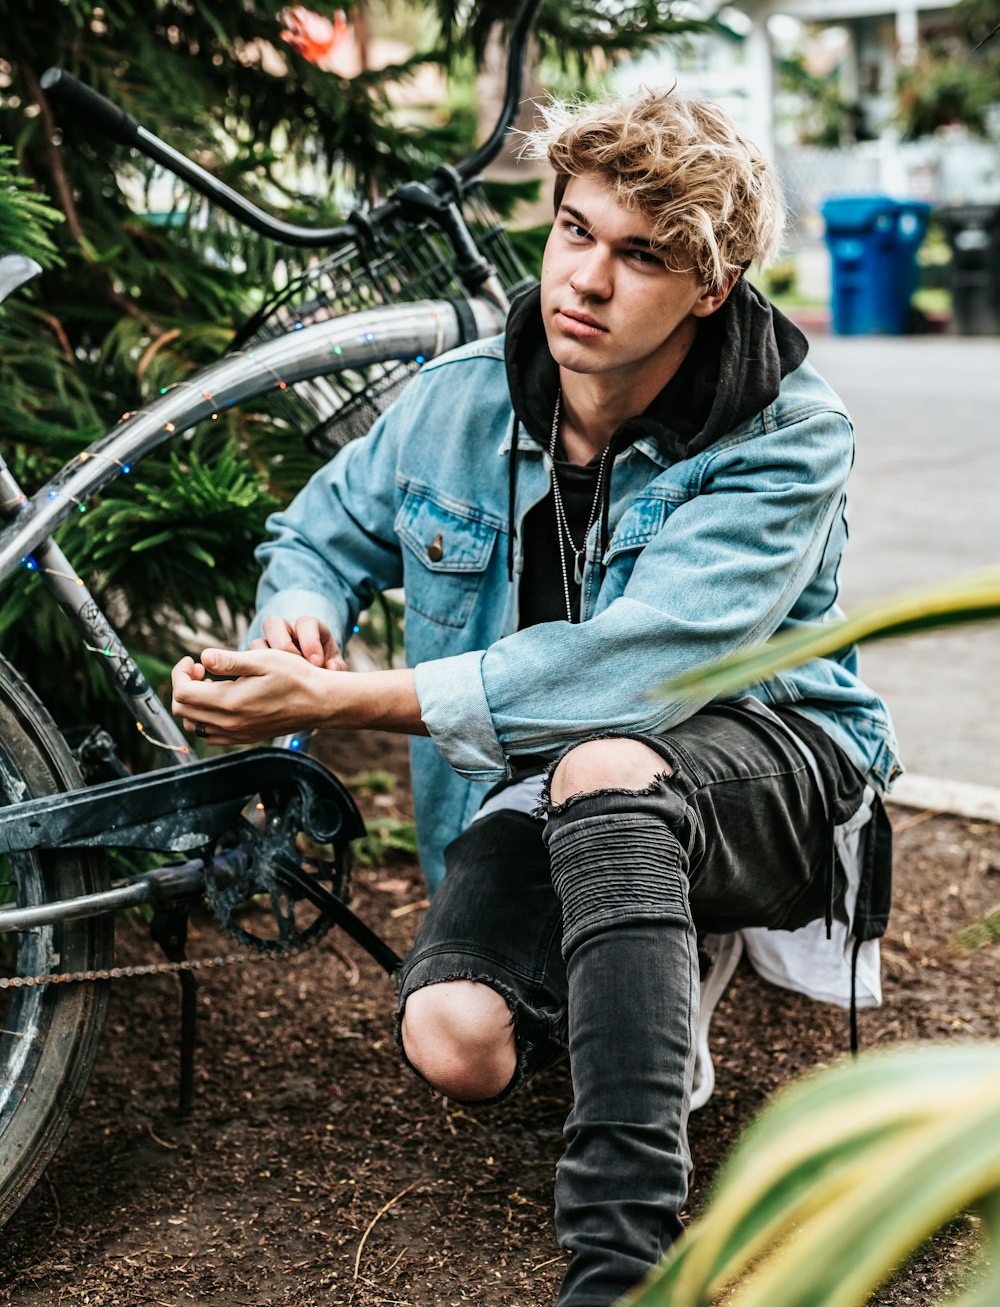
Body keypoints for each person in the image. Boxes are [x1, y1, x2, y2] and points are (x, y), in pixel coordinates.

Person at [171, 90, 898, 1307]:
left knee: (609, 766)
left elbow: (638, 670)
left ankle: (620, 1265)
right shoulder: (460, 395)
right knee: (455, 1040)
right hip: (535, 778)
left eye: (640, 255)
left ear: (708, 288)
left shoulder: (786, 434)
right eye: (573, 231)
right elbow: (321, 530)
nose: (586, 279)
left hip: (772, 765)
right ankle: (643, 966)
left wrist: (354, 695)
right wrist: (302, 613)